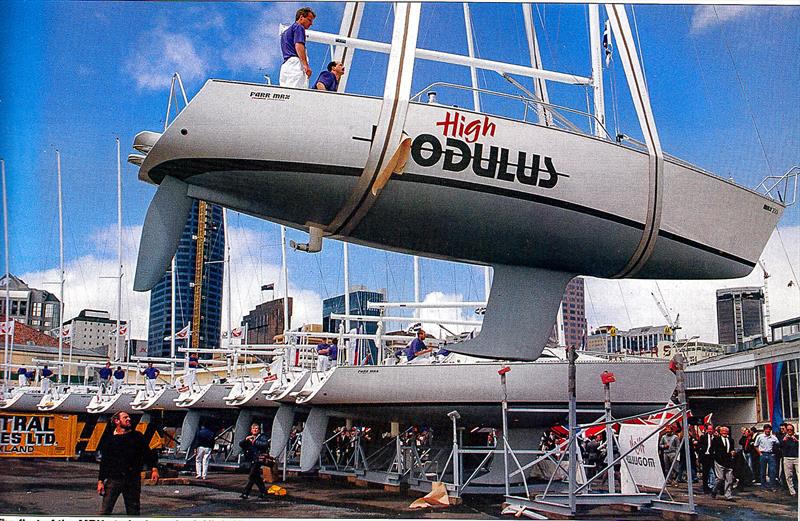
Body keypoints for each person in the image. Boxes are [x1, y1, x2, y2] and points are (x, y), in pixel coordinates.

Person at [97, 411, 159, 515]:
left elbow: (148, 453)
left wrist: (154, 469)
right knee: (105, 511)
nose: (128, 419)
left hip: (132, 480)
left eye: (129, 417)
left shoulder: (137, 436)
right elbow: (105, 462)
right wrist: (100, 481)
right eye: (125, 417)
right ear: (117, 421)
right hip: (114, 480)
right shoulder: (109, 439)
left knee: (133, 511)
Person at [279, 7, 315, 88]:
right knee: (298, 93)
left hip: (286, 66)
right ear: (301, 17)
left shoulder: (285, 33)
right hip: (296, 65)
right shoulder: (299, 27)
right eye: (309, 20)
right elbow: (299, 45)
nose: (311, 23)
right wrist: (305, 65)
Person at [239, 422, 270, 499]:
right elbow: (241, 444)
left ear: (259, 430)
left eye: (256, 428)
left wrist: (255, 441)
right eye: (253, 428)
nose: (255, 430)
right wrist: (246, 440)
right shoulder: (249, 437)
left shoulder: (262, 437)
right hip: (251, 459)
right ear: (251, 430)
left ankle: (245, 493)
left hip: (258, 459)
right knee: (256, 477)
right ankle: (263, 492)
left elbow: (265, 444)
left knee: (252, 476)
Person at [710, 426, 736, 500]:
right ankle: (714, 491)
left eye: (726, 431)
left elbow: (732, 448)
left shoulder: (731, 440)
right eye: (723, 431)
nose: (724, 432)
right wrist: (715, 457)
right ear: (720, 432)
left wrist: (733, 452)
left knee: (729, 479)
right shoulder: (716, 439)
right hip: (719, 461)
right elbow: (712, 450)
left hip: (728, 461)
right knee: (720, 478)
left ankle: (728, 495)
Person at [754, 423, 781, 489]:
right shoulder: (760, 437)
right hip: (763, 454)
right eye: (766, 429)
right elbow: (755, 446)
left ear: (771, 430)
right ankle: (763, 486)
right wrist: (760, 453)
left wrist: (774, 452)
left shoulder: (773, 437)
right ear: (764, 430)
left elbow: (778, 445)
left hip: (771, 455)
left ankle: (772, 486)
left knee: (772, 471)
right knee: (762, 471)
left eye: (769, 429)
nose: (768, 431)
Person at [696, 424, 716, 494]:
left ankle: (713, 486)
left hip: (712, 456)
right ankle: (705, 488)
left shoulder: (715, 437)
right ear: (707, 430)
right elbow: (698, 445)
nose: (710, 431)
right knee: (705, 473)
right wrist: (702, 451)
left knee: (713, 472)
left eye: (711, 429)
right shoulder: (703, 437)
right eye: (709, 429)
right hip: (705, 456)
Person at [781, 423, 798, 496]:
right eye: (788, 430)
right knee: (788, 476)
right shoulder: (783, 437)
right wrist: (783, 441)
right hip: (787, 458)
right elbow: (779, 447)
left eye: (791, 430)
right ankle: (792, 491)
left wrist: (797, 441)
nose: (789, 431)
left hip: (797, 457)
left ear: (793, 430)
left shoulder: (797, 437)